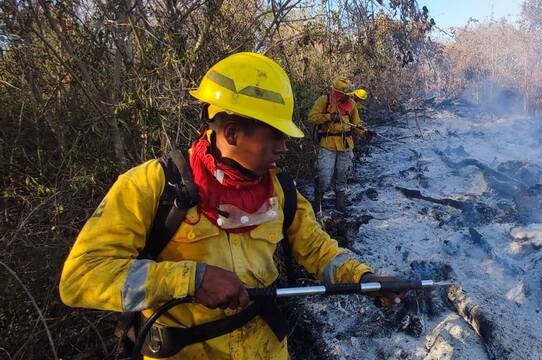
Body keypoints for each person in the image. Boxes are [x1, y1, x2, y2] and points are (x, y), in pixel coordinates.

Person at [59, 52, 400, 359]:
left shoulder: (280, 190)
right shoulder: (152, 186)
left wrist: (365, 278)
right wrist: (191, 280)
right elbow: (81, 276)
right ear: (233, 133)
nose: (284, 147)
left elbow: (317, 249)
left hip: (266, 349)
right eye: (275, 135)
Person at [307, 79, 371, 212]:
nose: (348, 97)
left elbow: (356, 123)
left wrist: (364, 132)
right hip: (327, 144)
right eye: (345, 94)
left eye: (349, 94)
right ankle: (318, 202)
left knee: (342, 175)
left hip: (346, 145)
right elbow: (312, 117)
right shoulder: (324, 101)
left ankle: (340, 203)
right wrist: (329, 117)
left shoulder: (352, 104)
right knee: (324, 175)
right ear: (337, 92)